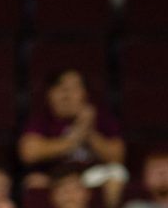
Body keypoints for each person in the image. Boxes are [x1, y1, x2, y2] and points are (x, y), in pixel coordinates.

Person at [18, 67, 126, 196]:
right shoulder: (42, 120)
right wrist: (77, 135)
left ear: (85, 94)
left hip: (91, 177)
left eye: (74, 88)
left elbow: (117, 156)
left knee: (117, 174)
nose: (66, 95)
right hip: (55, 178)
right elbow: (29, 153)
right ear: (49, 94)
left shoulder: (102, 118)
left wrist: (89, 131)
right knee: (34, 181)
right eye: (61, 88)